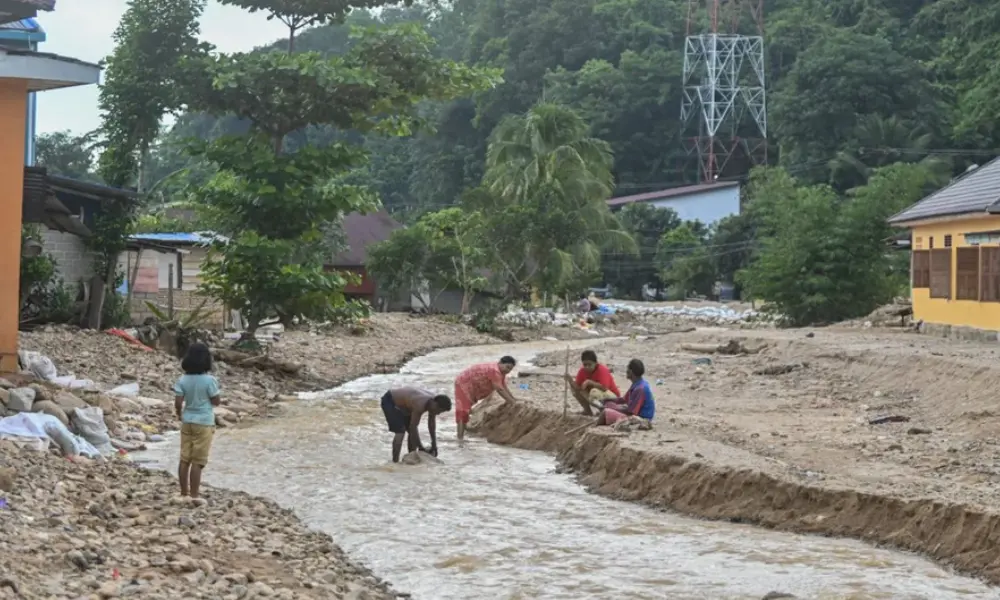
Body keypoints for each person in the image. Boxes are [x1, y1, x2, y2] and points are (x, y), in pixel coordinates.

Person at [173, 342, 221, 499]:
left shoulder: (182, 380)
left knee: (184, 458)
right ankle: (194, 495)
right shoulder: (209, 380)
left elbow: (178, 402)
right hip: (204, 422)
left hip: (187, 421)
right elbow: (216, 401)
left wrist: (179, 414)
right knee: (198, 461)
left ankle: (183, 492)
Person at [454, 356, 519, 441]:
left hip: (469, 385)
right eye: (507, 367)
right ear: (500, 363)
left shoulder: (500, 371)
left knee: (466, 409)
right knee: (462, 411)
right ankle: (460, 439)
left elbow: (503, 386)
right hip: (463, 384)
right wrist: (511, 402)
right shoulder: (495, 370)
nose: (508, 370)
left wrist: (513, 399)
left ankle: (464, 430)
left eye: (510, 369)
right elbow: (499, 389)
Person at [380, 387, 452, 463]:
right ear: (435, 404)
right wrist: (421, 447)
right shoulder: (420, 404)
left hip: (405, 406)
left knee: (412, 433)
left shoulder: (433, 403)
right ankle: (395, 462)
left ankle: (411, 456)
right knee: (400, 432)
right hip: (390, 401)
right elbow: (413, 427)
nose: (438, 413)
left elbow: (431, 425)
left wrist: (434, 445)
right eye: (439, 411)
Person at [596, 358, 655, 426]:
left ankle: (595, 427)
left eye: (627, 369)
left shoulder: (640, 389)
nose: (626, 371)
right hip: (635, 413)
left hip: (641, 418)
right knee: (608, 404)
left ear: (631, 371)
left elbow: (631, 412)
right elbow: (623, 399)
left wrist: (612, 408)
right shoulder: (639, 383)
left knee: (605, 412)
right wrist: (606, 400)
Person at [564, 350, 621, 416]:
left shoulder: (602, 370)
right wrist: (570, 380)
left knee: (594, 392)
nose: (587, 367)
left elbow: (604, 388)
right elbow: (578, 388)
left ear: (595, 363)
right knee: (574, 389)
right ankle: (587, 411)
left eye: (589, 364)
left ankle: (604, 411)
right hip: (596, 397)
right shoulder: (582, 371)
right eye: (585, 365)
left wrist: (590, 382)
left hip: (612, 398)